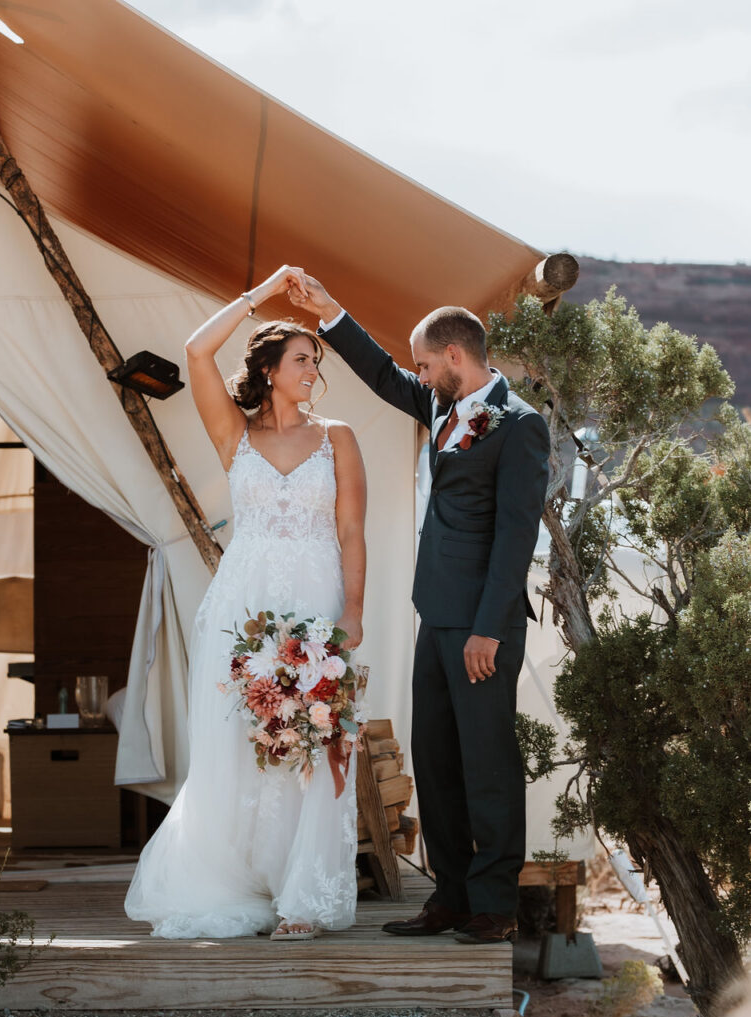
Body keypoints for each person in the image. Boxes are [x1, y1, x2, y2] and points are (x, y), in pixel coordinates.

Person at [288, 273, 549, 944]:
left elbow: (516, 534)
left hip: (483, 625)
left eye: (426, 361)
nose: (419, 372)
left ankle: (493, 906)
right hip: (435, 614)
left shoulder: (519, 427)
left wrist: (488, 628)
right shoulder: (442, 405)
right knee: (434, 760)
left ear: (455, 358)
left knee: (485, 763)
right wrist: (331, 314)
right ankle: (452, 897)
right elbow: (380, 373)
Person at [125, 266, 367, 940]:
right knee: (243, 741)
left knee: (314, 741)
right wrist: (261, 297)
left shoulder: (337, 437)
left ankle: (302, 897)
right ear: (267, 369)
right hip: (244, 608)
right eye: (300, 358)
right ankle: (242, 877)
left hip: (317, 604)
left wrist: (352, 612)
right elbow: (198, 351)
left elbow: (350, 530)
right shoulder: (235, 436)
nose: (312, 370)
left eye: (315, 361)